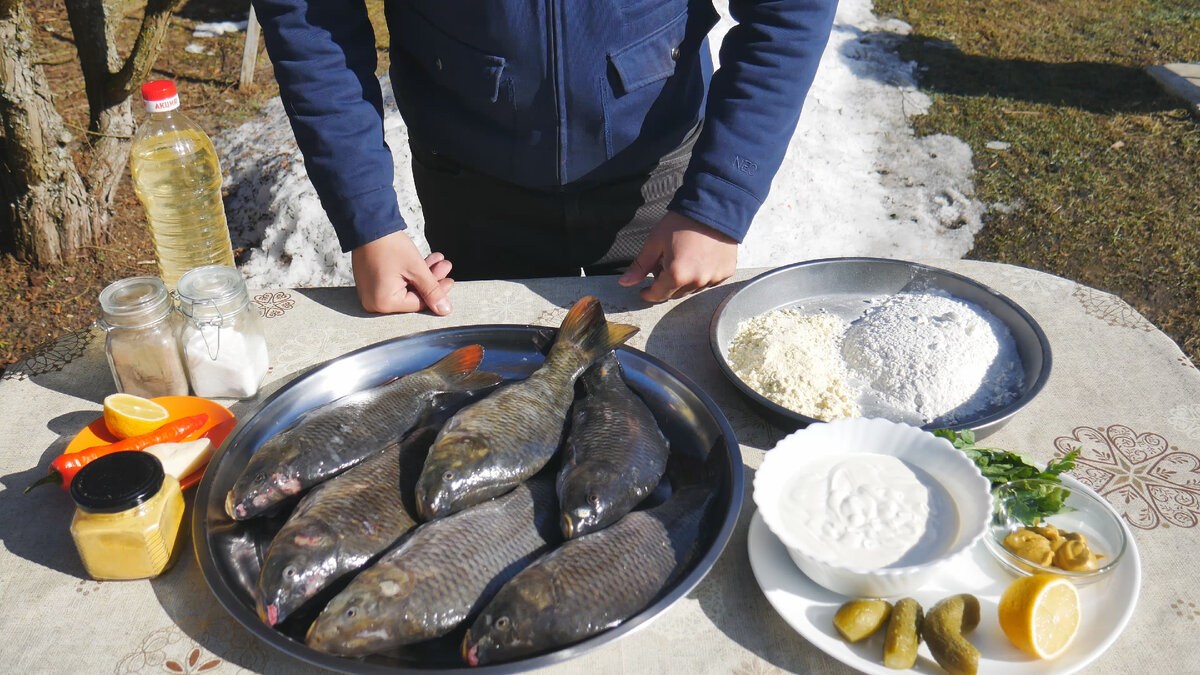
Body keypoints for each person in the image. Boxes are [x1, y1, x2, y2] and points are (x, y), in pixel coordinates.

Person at [251, 0, 837, 315]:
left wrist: (718, 203)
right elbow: (309, 16)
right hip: (470, 180)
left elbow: (789, 11)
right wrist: (367, 221)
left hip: (661, 179)